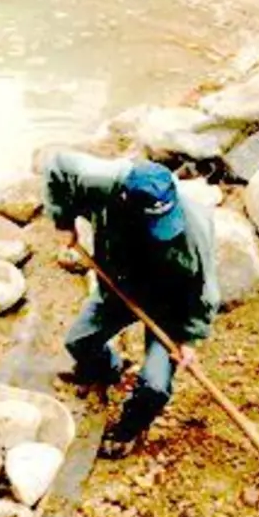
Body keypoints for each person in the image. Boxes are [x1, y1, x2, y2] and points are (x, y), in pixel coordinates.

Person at [43, 151, 220, 458]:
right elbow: (58, 167)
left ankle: (129, 428)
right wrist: (64, 220)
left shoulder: (195, 229)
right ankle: (108, 370)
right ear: (125, 199)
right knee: (79, 343)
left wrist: (189, 338)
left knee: (154, 385)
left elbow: (206, 292)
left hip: (169, 307)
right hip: (119, 287)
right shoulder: (104, 182)